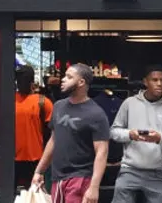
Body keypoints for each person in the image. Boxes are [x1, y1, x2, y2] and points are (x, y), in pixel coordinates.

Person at [33, 64, 111, 203]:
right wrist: (39, 171)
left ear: (81, 82)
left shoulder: (96, 114)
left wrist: (94, 187)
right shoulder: (58, 106)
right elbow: (53, 140)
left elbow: (102, 152)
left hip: (81, 178)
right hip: (58, 177)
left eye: (69, 77)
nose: (63, 79)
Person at [110, 65, 162, 202]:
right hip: (130, 170)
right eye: (154, 80)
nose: (159, 84)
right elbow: (114, 132)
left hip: (157, 172)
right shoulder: (129, 103)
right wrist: (130, 134)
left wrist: (160, 139)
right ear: (145, 82)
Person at [16, 66, 53, 191]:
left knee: (35, 194)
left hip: (36, 159)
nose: (21, 82)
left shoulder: (43, 102)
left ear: (31, 81)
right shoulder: (8, 99)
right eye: (18, 78)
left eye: (24, 78)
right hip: (11, 158)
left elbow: (53, 133)